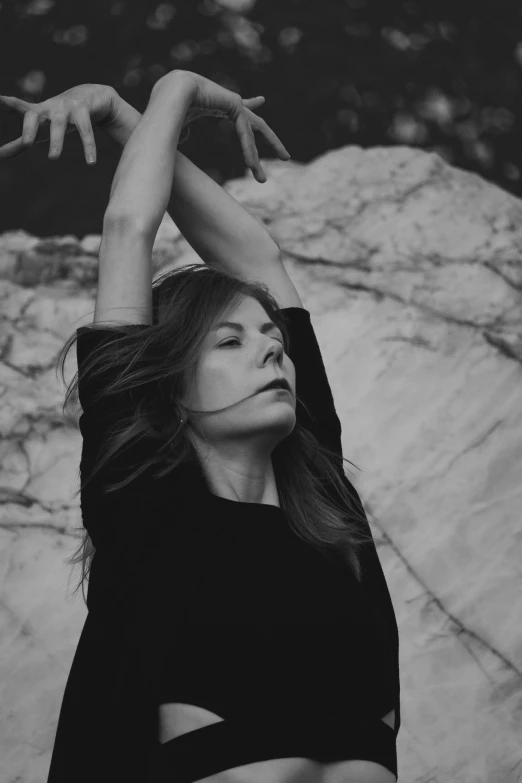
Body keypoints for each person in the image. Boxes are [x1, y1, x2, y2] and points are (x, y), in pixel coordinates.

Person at [1, 70, 400, 783]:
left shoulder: (325, 501)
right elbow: (129, 227)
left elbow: (256, 258)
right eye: (229, 342)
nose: (272, 347)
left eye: (270, 335)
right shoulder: (146, 504)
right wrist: (173, 88)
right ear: (171, 393)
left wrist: (129, 116)